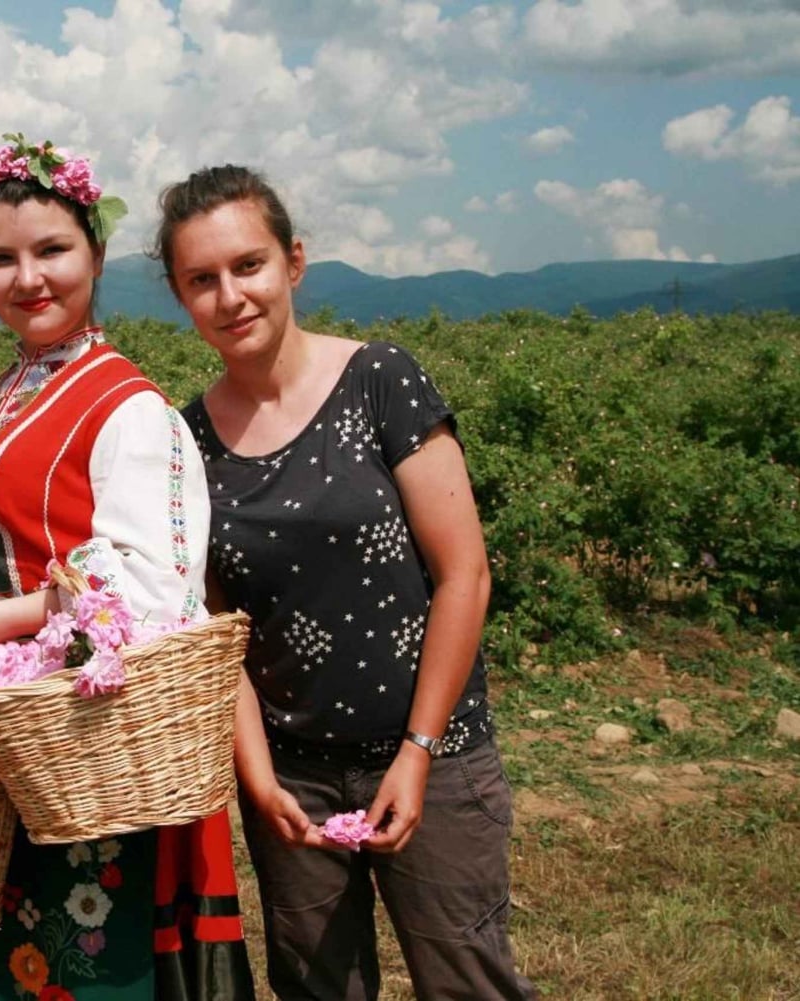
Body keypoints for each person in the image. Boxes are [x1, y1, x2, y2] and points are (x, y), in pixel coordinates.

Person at [0, 136, 254, 1001]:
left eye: (52, 250)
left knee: (81, 965)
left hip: (88, 746)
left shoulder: (129, 407)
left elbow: (151, 596)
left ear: (96, 253)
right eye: (0, 259)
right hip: (2, 743)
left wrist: (1, 621)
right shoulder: (1, 393)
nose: (27, 277)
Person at [153, 164, 537, 1000]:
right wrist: (258, 782)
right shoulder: (188, 443)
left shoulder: (380, 380)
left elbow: (463, 573)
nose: (230, 295)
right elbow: (220, 632)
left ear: (293, 262)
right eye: (202, 280)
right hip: (293, 779)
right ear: (182, 298)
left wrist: (418, 752)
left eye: (248, 265)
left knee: (468, 978)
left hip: (437, 758)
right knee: (319, 984)